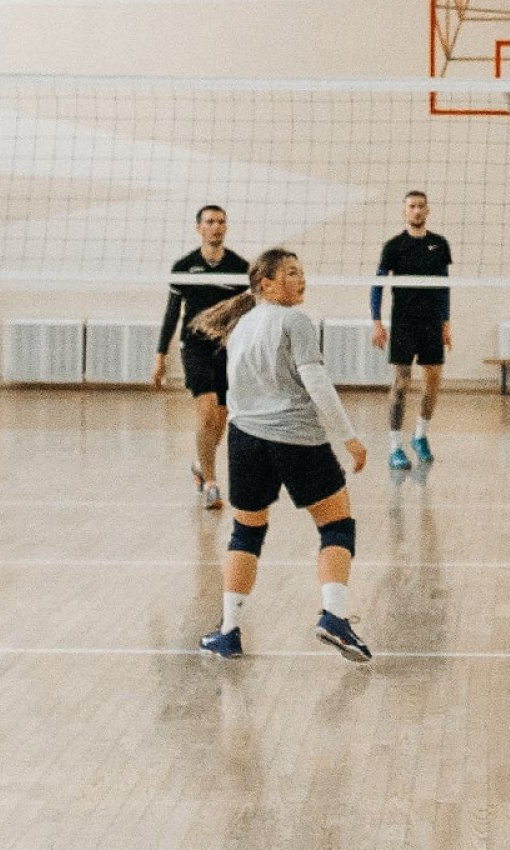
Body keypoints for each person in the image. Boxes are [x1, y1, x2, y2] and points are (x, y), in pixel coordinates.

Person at [190, 248, 375, 662]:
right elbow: (317, 383)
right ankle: (334, 617)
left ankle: (229, 631)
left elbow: (234, 389)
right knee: (336, 524)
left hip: (245, 440)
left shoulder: (240, 325)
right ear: (266, 284)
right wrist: (349, 438)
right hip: (296, 439)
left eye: (302, 271)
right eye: (291, 273)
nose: (301, 278)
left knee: (246, 533)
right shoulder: (294, 320)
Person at [152, 205, 249, 510]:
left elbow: (248, 315)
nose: (216, 227)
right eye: (210, 222)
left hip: (226, 350)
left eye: (221, 222)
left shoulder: (239, 267)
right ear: (199, 228)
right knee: (206, 414)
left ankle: (199, 464)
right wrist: (160, 356)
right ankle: (211, 483)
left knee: (219, 421)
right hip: (194, 348)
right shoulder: (184, 266)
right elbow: (171, 313)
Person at [369, 191, 452, 471]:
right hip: (404, 323)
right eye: (411, 206)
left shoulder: (439, 245)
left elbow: (444, 286)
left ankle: (419, 436)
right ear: (404, 211)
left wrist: (445, 322)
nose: (416, 211)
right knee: (401, 384)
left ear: (428, 210)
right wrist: (376, 322)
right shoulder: (393, 246)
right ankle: (395, 447)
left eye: (420, 206)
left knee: (433, 384)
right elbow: (377, 284)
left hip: (431, 324)